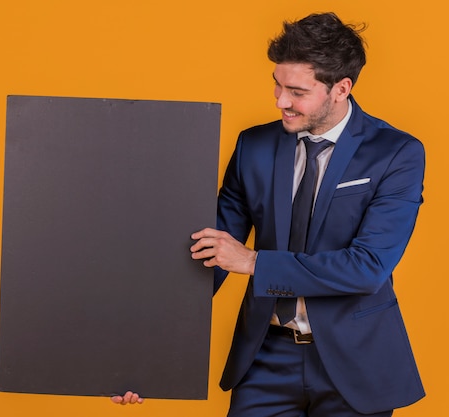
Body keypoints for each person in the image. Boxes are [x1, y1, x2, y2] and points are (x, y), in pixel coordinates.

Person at [112, 12, 425, 416]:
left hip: (356, 361)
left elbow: (367, 268)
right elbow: (210, 253)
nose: (280, 101)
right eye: (277, 85)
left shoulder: (396, 153)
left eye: (296, 91)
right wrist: (133, 357)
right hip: (265, 358)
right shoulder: (254, 146)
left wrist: (254, 262)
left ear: (340, 89)